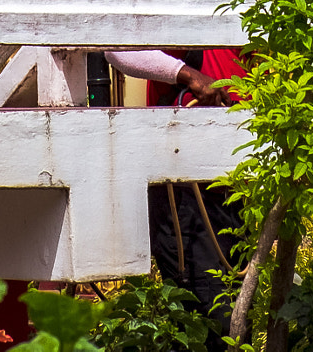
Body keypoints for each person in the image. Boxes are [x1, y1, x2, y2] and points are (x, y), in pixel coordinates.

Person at [105, 30, 244, 334]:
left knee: (236, 309)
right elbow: (116, 49)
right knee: (210, 315)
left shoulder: (237, 33)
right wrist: (188, 74)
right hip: (190, 201)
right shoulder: (183, 20)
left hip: (233, 199)